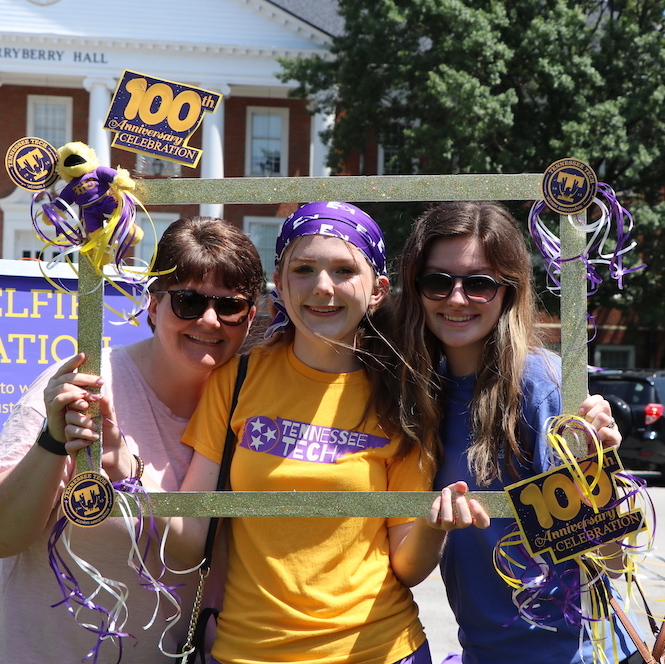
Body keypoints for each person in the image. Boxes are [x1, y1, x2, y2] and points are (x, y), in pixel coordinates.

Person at [69, 201, 490, 664]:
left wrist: (433, 526)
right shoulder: (237, 379)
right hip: (247, 652)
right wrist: (127, 469)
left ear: (378, 290)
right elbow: (190, 538)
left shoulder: (403, 395)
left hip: (379, 650)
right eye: (304, 269)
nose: (322, 287)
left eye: (344, 270)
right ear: (282, 285)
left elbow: (407, 567)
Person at [0, 215, 264, 663]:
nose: (209, 320)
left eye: (230, 307)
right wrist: (52, 441)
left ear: (251, 316)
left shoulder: (251, 404)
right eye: (187, 301)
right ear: (153, 306)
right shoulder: (91, 388)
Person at [392, 200, 638, 664]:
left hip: (574, 655)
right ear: (416, 288)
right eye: (437, 282)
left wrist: (600, 471)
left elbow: (610, 560)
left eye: (479, 283)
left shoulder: (539, 386)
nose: (456, 298)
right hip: (485, 650)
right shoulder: (422, 391)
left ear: (509, 290)